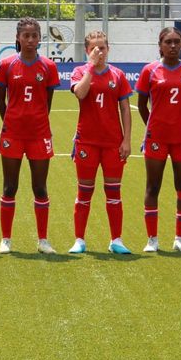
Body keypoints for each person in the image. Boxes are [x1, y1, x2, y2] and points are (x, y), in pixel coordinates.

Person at [0, 18, 60, 254]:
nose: (30, 40)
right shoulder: (6, 65)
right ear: (18, 38)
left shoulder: (49, 67)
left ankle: (43, 240)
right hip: (13, 134)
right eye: (26, 35)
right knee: (9, 187)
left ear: (40, 38)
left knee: (40, 188)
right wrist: (11, 122)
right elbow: (1, 100)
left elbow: (47, 102)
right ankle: (6, 240)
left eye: (34, 35)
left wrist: (36, 121)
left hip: (39, 135)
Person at [136, 27, 181, 253]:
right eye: (168, 42)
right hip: (157, 137)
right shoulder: (150, 71)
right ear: (160, 45)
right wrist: (153, 126)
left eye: (176, 42)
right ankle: (152, 239)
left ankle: (180, 239)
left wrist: (180, 123)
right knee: (153, 186)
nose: (172, 46)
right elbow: (142, 104)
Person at [67, 31, 133, 255]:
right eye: (94, 48)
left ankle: (116, 240)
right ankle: (79, 240)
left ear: (108, 49)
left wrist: (126, 139)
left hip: (113, 144)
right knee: (84, 192)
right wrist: (90, 67)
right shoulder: (79, 72)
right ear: (87, 51)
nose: (99, 52)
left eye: (102, 47)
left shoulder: (118, 75)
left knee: (114, 192)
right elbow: (81, 94)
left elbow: (125, 108)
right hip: (86, 142)